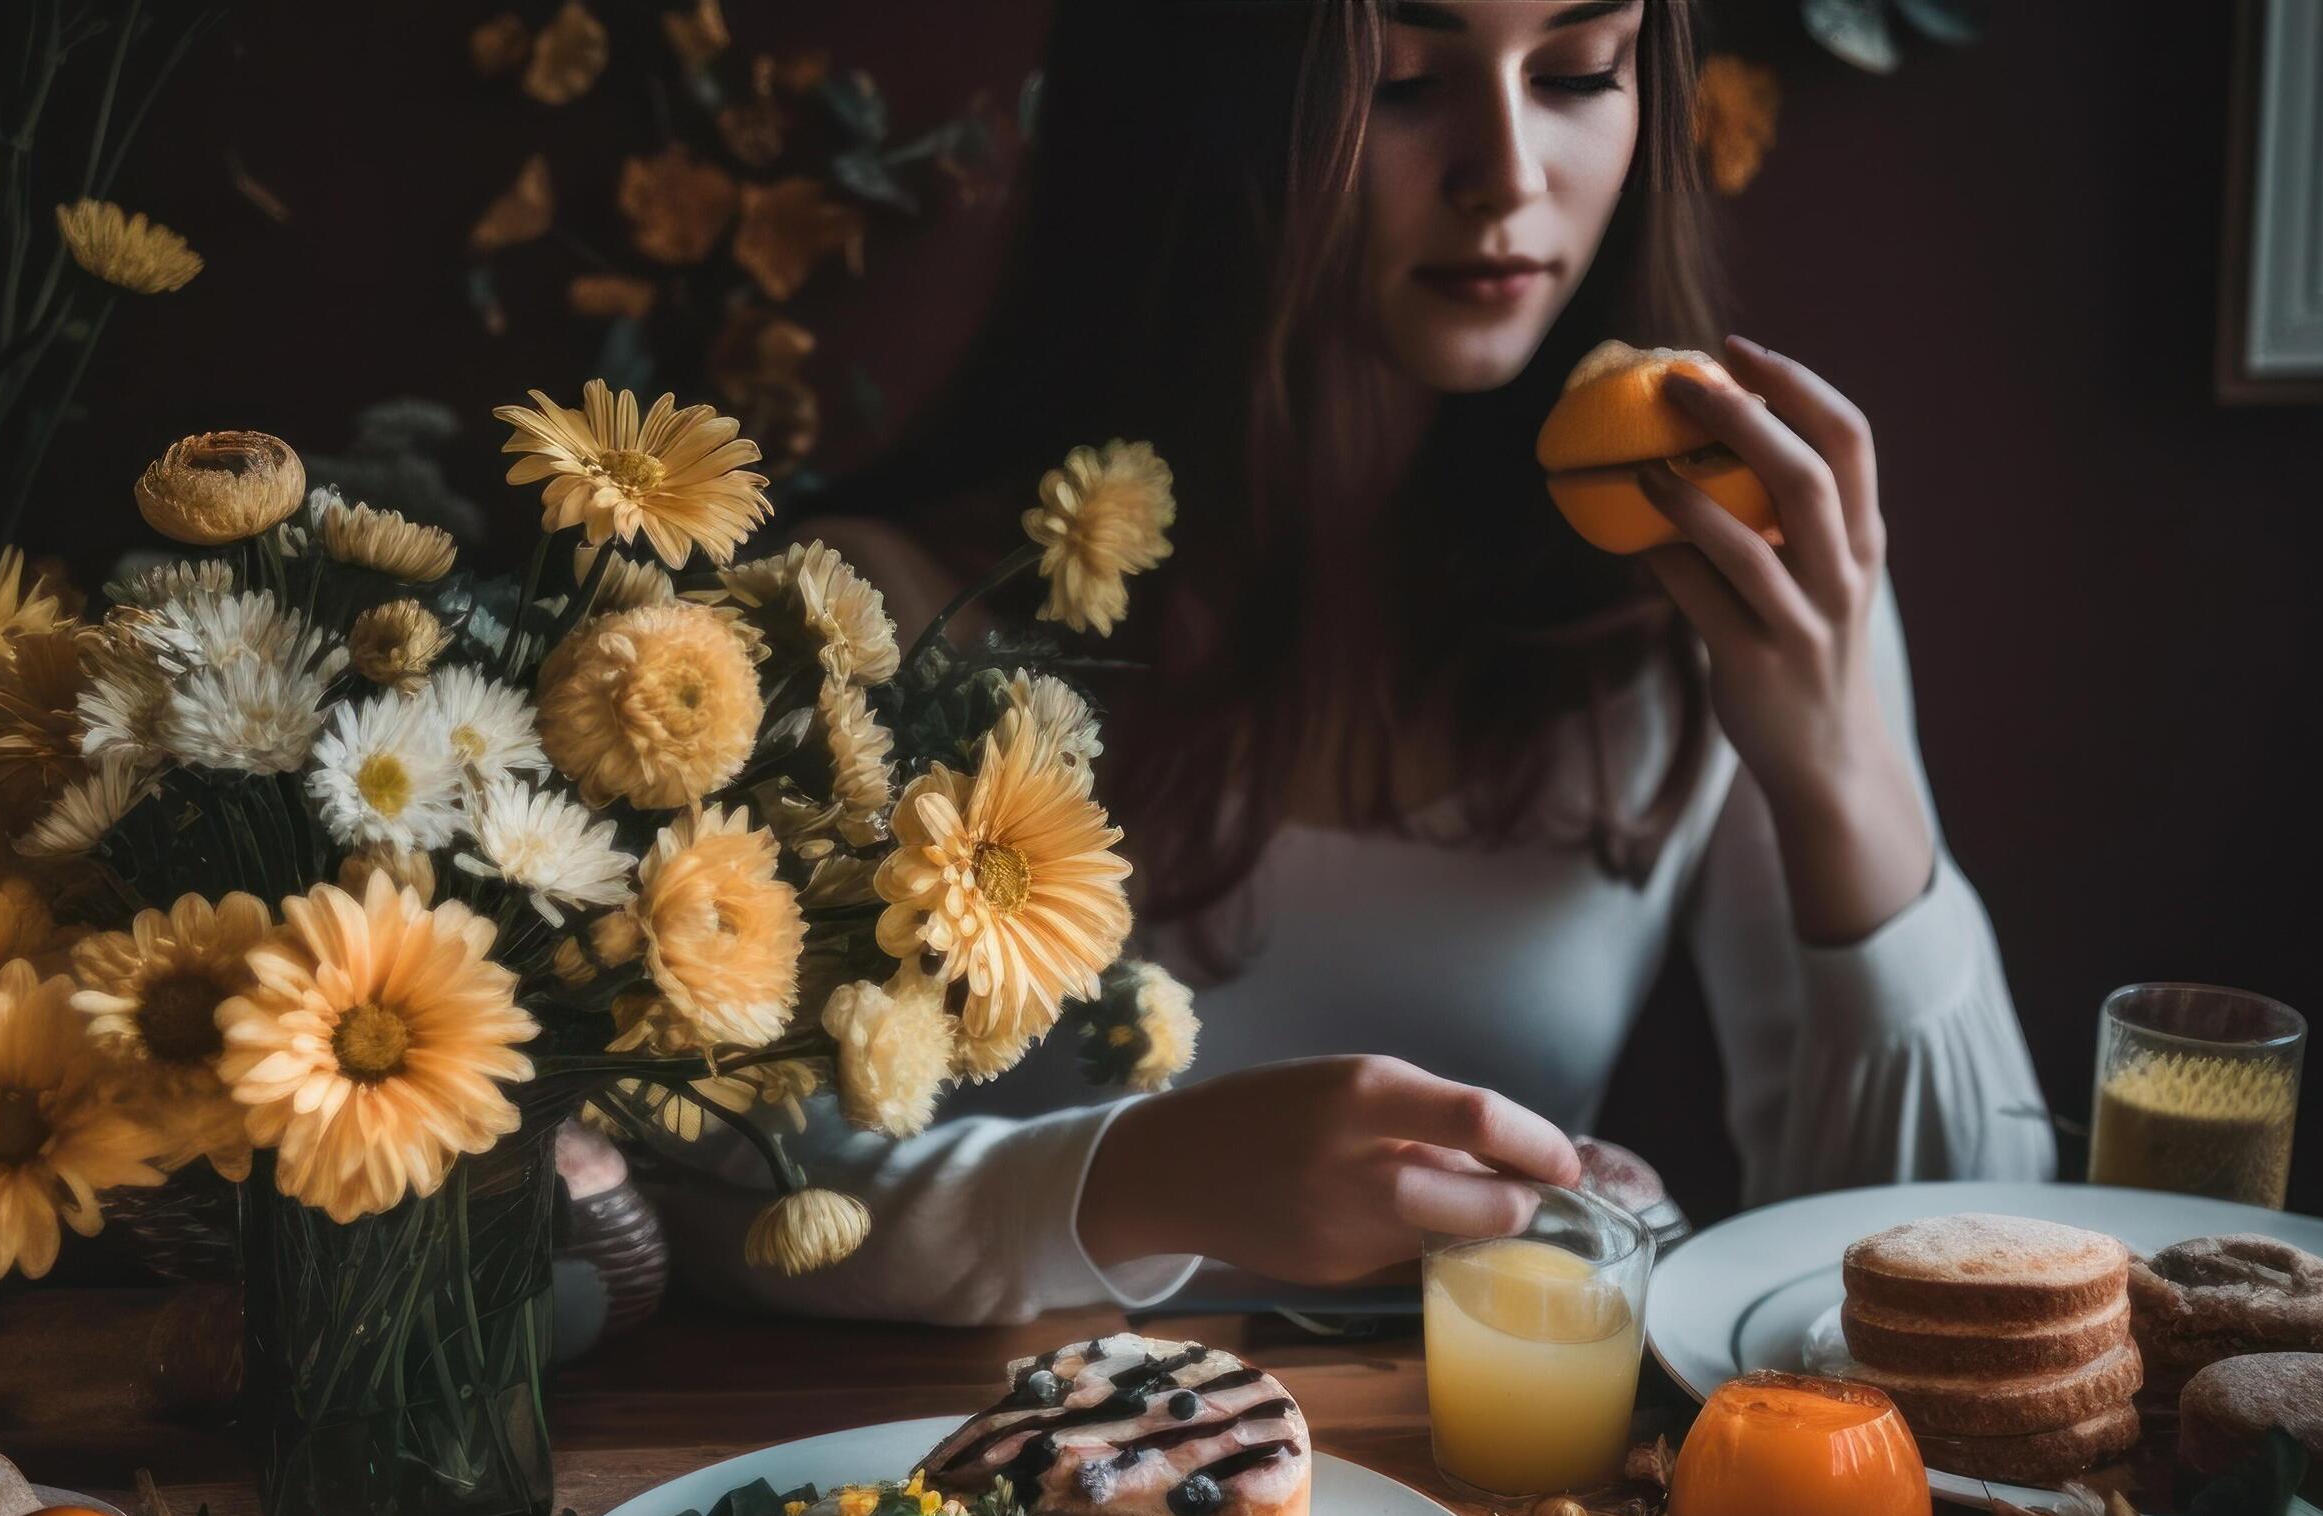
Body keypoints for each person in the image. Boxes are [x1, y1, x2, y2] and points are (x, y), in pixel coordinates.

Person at [667, 0, 2054, 1323]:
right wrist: (1143, 1181)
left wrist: (1838, 765)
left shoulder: (1706, 598)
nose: (1506, 174)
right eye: (1399, 80)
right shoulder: (874, 613)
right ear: (1195, 101)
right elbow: (697, 1195)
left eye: (1578, 70)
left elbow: (1968, 1285)